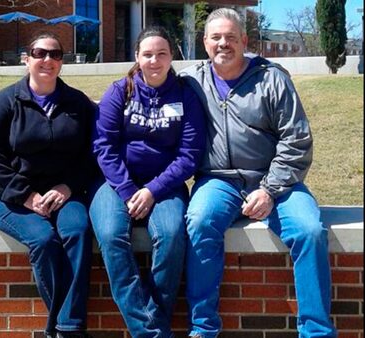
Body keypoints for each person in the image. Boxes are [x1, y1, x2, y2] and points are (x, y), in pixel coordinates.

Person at [180, 8, 337, 338]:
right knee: (199, 221)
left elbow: (297, 139)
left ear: (245, 41)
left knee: (309, 231)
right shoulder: (192, 81)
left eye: (232, 37)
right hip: (218, 180)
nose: (224, 43)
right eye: (216, 37)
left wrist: (269, 189)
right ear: (204, 42)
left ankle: (317, 332)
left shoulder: (272, 78)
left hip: (276, 181)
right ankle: (203, 328)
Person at [90, 26, 206, 338]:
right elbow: (104, 146)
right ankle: (150, 332)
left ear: (172, 57)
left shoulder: (185, 95)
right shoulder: (120, 91)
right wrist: (129, 191)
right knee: (112, 235)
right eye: (147, 54)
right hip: (116, 184)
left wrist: (153, 190)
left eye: (162, 53)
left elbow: (189, 155)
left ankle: (153, 323)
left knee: (170, 235)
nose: (154, 60)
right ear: (137, 58)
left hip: (165, 185)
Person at [0, 32, 95, 338]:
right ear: (26, 59)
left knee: (78, 231)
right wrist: (26, 195)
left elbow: (94, 154)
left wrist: (68, 187)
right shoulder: (6, 102)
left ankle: (66, 329)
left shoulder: (77, 103)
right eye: (39, 53)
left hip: (63, 194)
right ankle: (63, 327)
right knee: (43, 240)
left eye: (55, 55)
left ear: (61, 62)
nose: (47, 60)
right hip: (8, 196)